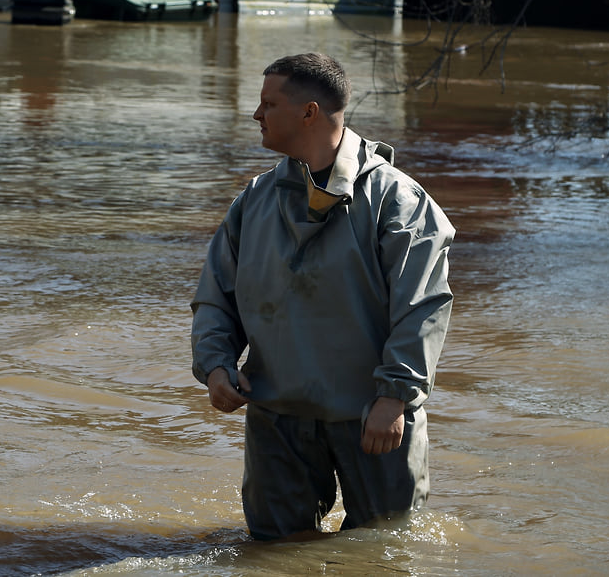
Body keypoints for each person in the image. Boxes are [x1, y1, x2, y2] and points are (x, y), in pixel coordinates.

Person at [191, 52, 455, 540]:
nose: (256, 114)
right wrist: (215, 365)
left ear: (309, 112)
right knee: (273, 554)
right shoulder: (254, 200)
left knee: (382, 553)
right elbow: (216, 297)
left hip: (373, 417)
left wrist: (394, 397)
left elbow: (423, 308)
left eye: (268, 103)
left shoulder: (399, 202)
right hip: (278, 416)